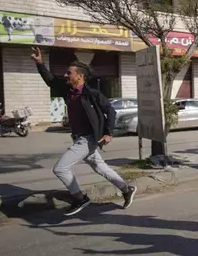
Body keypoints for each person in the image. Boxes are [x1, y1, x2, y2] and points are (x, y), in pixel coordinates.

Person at [30, 47, 136, 216]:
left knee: (60, 168)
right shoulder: (68, 90)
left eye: (68, 73)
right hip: (78, 137)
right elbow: (50, 80)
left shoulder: (92, 94)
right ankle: (126, 188)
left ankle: (80, 198)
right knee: (99, 166)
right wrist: (40, 63)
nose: (65, 75)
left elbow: (110, 111)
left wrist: (109, 133)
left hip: (88, 139)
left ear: (79, 76)